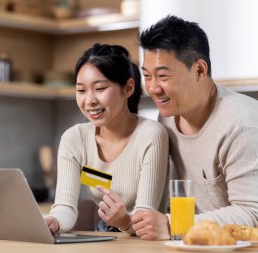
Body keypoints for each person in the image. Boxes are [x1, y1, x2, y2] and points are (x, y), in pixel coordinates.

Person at [132, 15, 258, 240]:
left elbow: (257, 217)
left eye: (163, 76)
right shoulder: (167, 117)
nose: (153, 88)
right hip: (201, 243)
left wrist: (173, 223)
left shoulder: (243, 124)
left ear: (199, 71)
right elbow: (173, 199)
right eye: (147, 76)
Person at [45, 43, 169, 234]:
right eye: (81, 90)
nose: (89, 100)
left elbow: (146, 216)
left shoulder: (151, 134)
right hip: (106, 235)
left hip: (148, 239)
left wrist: (125, 221)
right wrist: (54, 221)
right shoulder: (74, 139)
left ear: (128, 88)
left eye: (100, 88)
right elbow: (65, 209)